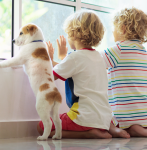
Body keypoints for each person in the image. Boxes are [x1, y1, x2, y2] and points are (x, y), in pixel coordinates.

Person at [37, 10, 130, 139]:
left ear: (74, 34)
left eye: (68, 34)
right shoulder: (99, 56)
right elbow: (77, 68)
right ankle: (96, 130)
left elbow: (52, 76)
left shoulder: (74, 57)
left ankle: (88, 133)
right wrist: (56, 61)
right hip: (104, 118)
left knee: (42, 126)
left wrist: (45, 61)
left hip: (83, 116)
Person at [100, 7, 147, 137]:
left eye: (114, 29)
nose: (112, 32)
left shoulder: (118, 49)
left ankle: (138, 130)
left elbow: (93, 61)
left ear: (123, 28)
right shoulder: (142, 50)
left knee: (108, 118)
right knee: (145, 117)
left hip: (127, 113)